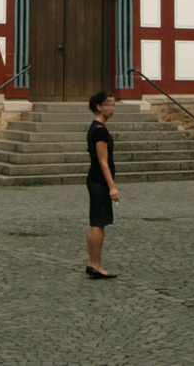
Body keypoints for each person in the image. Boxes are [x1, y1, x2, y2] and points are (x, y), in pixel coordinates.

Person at [85, 90, 119, 279]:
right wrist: (112, 187)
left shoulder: (97, 127)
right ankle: (96, 265)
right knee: (98, 224)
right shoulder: (100, 131)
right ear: (99, 107)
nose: (111, 108)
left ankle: (92, 263)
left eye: (113, 104)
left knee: (94, 223)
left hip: (94, 180)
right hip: (99, 181)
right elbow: (103, 161)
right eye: (107, 104)